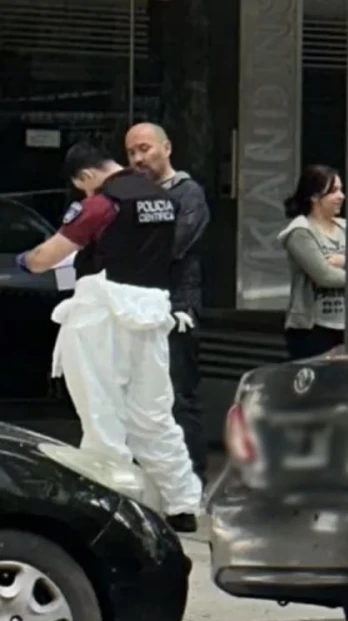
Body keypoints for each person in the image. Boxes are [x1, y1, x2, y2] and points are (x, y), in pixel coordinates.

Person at [14, 142, 202, 532]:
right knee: (154, 415)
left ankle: (114, 507)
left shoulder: (102, 203)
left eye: (82, 188)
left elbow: (49, 256)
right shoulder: (160, 197)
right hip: (150, 313)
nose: (85, 194)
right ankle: (182, 503)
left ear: (86, 176)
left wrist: (26, 260)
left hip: (103, 315)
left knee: (101, 414)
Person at [125, 122, 210, 485]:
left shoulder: (188, 194)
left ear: (167, 147)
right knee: (139, 398)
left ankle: (192, 480)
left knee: (177, 396)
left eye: (145, 149)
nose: (138, 158)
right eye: (131, 152)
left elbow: (172, 246)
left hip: (176, 310)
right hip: (135, 309)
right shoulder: (128, 194)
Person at [278, 164, 348, 359]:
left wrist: (343, 260)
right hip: (312, 330)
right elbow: (325, 275)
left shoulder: (346, 228)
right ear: (315, 196)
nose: (341, 196)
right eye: (334, 191)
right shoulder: (300, 231)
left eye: (341, 189)